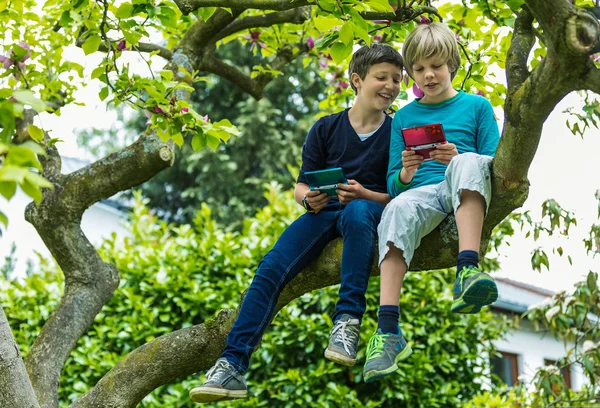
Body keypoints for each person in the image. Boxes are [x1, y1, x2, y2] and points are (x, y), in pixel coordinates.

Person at [189, 43, 404, 403]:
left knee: (356, 211)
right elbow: (301, 185)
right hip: (324, 211)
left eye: (397, 79)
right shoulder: (325, 129)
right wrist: (308, 198)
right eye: (382, 77)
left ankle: (347, 323)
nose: (391, 85)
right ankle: (232, 366)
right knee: (272, 266)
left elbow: (399, 198)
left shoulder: (396, 134)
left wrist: (365, 194)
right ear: (356, 80)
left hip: (369, 212)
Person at [362, 22, 501, 383]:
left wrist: (458, 155)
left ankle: (467, 269)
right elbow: (393, 184)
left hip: (463, 184)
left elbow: (495, 163)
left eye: (436, 66)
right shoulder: (404, 117)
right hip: (420, 195)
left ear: (451, 64)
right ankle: (388, 330)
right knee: (395, 210)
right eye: (419, 69)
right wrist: (406, 172)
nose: (428, 75)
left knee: (467, 161)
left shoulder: (477, 106)